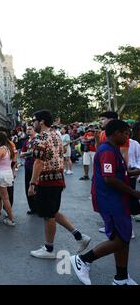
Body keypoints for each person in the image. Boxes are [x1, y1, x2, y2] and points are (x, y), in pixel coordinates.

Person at [71, 120, 140, 285]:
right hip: (110, 200)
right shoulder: (107, 150)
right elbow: (109, 178)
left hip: (117, 199)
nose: (127, 136)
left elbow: (120, 173)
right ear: (116, 132)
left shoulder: (112, 149)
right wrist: (134, 192)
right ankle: (83, 259)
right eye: (125, 133)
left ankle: (121, 277)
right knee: (120, 239)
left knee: (122, 237)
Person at [28, 110, 91, 259]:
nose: (32, 124)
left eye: (34, 121)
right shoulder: (56, 134)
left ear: (41, 121)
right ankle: (79, 236)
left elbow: (38, 162)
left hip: (46, 181)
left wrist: (32, 183)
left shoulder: (41, 138)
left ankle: (49, 249)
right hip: (57, 179)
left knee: (48, 215)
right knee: (53, 211)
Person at [20, 126, 37, 215]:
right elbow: (22, 153)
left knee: (36, 186)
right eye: (27, 129)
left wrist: (26, 153)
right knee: (28, 186)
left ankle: (38, 207)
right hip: (28, 166)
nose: (28, 130)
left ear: (34, 130)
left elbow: (32, 152)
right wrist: (27, 153)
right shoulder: (26, 141)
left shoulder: (37, 139)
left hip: (36, 166)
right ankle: (32, 207)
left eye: (30, 129)